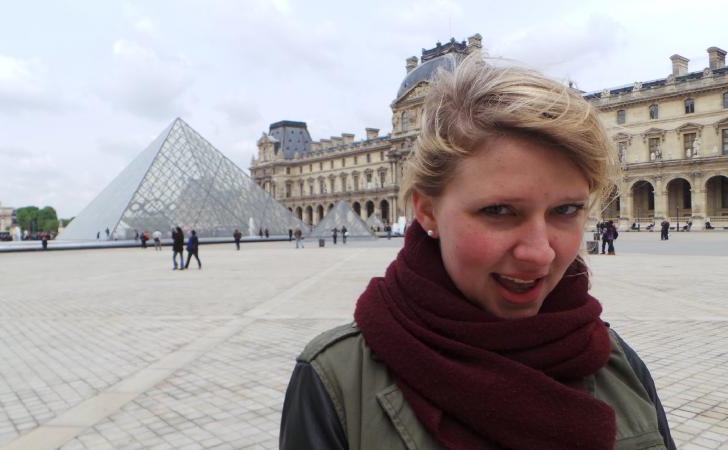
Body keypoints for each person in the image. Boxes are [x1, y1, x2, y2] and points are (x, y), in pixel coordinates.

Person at [280, 57, 674, 450]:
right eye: (499, 211)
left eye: (566, 210)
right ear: (427, 210)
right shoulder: (333, 382)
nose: (540, 254)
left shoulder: (618, 360)